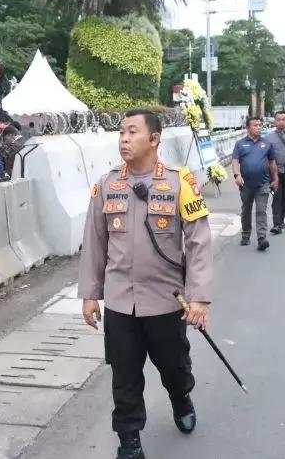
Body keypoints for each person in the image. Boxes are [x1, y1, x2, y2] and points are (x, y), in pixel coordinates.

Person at [78, 109, 213, 459]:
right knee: (124, 376)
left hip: (167, 301)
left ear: (154, 139)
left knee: (174, 366)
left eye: (132, 132)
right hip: (121, 303)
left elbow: (198, 241)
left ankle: (181, 397)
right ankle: (129, 439)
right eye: (121, 132)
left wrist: (199, 298)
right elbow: (94, 241)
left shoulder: (180, 181)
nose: (123, 138)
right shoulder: (107, 184)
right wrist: (90, 295)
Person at [232, 117, 279, 252]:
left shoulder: (266, 143)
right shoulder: (240, 144)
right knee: (246, 210)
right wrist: (237, 175)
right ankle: (246, 235)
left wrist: (275, 179)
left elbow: (272, 162)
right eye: (255, 125)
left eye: (260, 125)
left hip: (263, 184)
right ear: (248, 128)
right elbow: (235, 161)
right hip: (246, 184)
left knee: (261, 211)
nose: (258, 127)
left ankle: (261, 239)